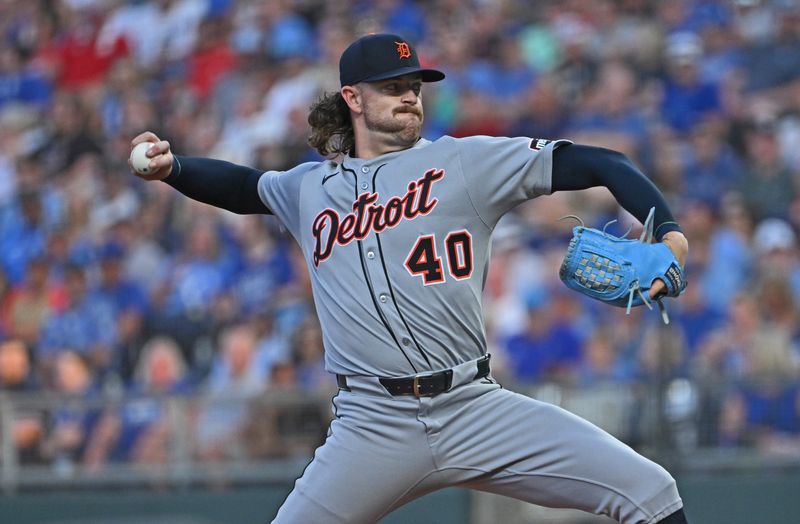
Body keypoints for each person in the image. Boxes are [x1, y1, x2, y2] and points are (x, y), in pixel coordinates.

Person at [129, 33, 690, 524]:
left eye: (414, 86)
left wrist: (669, 234)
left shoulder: (465, 162)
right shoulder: (308, 189)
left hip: (475, 406)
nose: (408, 96)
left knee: (651, 491)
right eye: (391, 85)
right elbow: (243, 187)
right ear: (352, 97)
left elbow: (603, 162)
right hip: (372, 425)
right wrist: (173, 169)